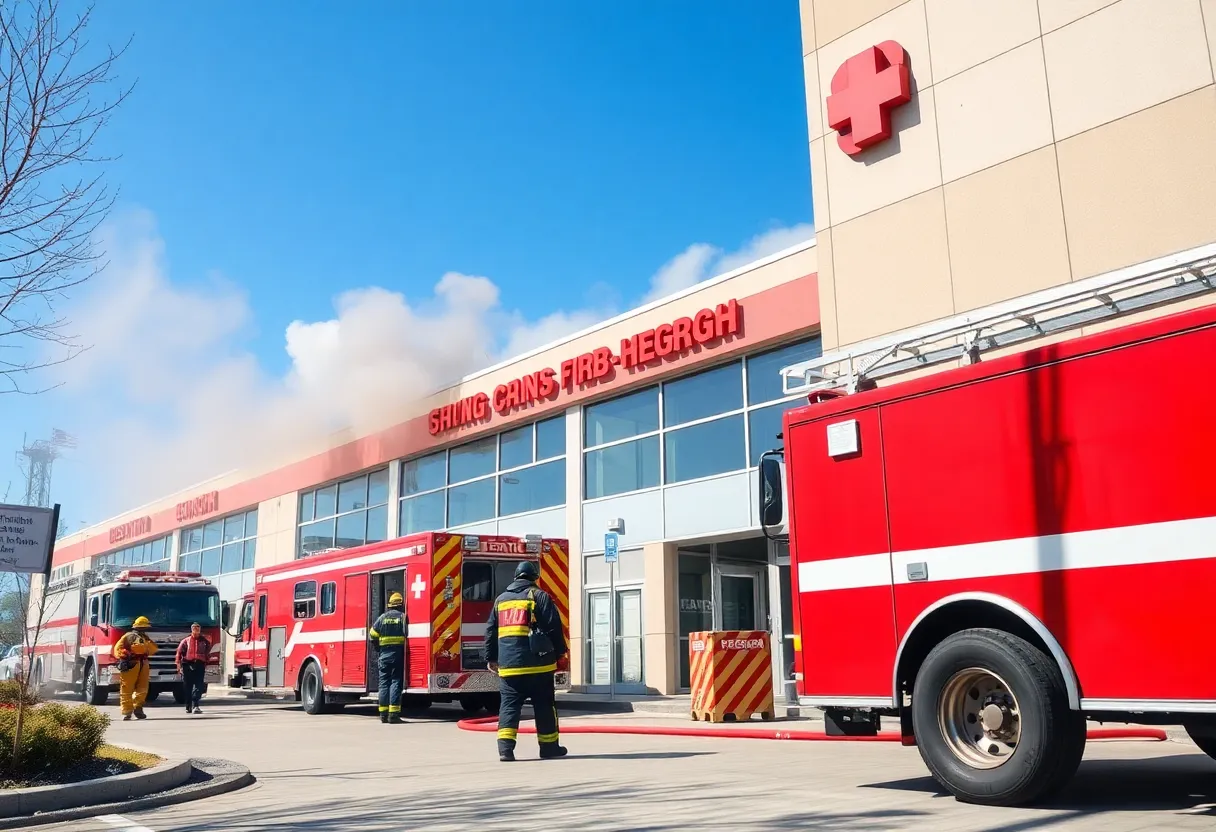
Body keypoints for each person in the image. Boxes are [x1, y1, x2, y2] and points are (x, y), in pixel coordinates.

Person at [485, 561, 568, 762]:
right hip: (539, 667)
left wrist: (491, 658)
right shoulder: (540, 596)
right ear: (534, 578)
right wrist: (561, 653)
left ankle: (505, 750)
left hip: (509, 668)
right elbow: (554, 627)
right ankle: (549, 747)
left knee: (509, 707)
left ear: (515, 577)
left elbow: (490, 631)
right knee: (544, 706)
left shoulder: (500, 600)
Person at [368, 591, 407, 724]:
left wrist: (379, 648)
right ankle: (393, 715)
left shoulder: (382, 618)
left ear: (390, 605)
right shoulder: (402, 617)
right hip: (398, 655)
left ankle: (383, 714)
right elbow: (408, 634)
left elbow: (372, 635)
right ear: (401, 605)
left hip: (384, 655)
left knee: (384, 683)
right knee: (396, 682)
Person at [113, 616, 158, 721]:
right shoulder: (128, 637)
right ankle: (127, 711)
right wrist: (125, 655)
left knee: (142, 687)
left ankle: (137, 708)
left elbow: (153, 649)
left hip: (142, 664)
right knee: (127, 688)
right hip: (131, 663)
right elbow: (117, 649)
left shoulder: (144, 638)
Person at [175, 622, 211, 715]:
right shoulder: (185, 641)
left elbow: (208, 652)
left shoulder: (204, 641)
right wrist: (178, 665)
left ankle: (196, 704)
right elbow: (179, 652)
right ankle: (188, 706)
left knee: (199, 685)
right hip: (187, 665)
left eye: (198, 628)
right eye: (194, 628)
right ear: (191, 630)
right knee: (188, 686)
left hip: (199, 664)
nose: (196, 630)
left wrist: (206, 661)